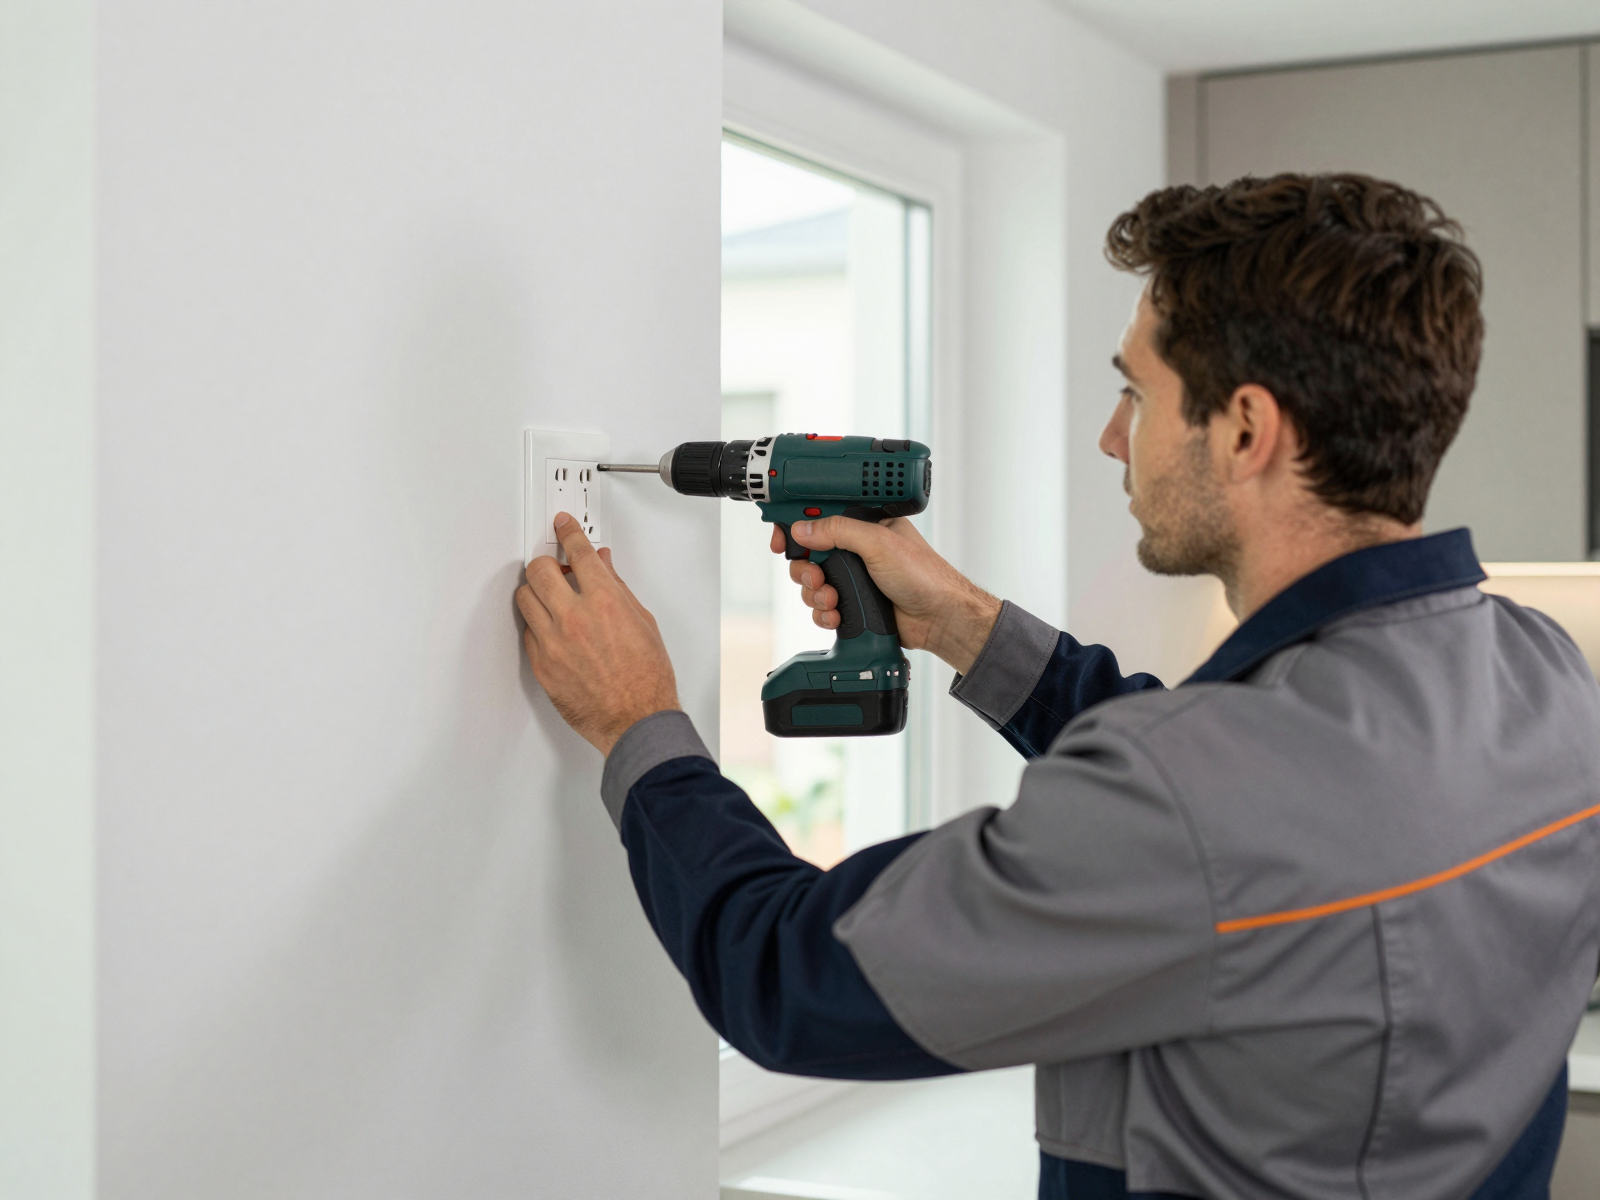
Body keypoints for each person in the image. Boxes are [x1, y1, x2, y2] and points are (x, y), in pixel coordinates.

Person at [515, 174, 1600, 1199]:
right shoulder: (1540, 674)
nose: (1109, 436)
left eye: (1136, 391)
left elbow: (789, 978)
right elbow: (1267, 813)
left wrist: (637, 721)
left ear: (1245, 429)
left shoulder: (1198, 800)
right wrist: (967, 625)